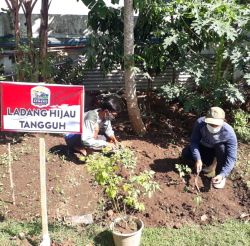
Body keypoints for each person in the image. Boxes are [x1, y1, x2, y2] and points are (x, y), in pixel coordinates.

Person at [182, 106, 237, 189]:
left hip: (216, 152)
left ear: (223, 122)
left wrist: (223, 174)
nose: (213, 126)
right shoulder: (200, 123)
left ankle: (219, 175)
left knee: (221, 147)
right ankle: (206, 165)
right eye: (211, 124)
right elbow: (194, 142)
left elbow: (231, 157)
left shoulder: (229, 133)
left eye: (216, 124)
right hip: (204, 147)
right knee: (186, 153)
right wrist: (198, 159)